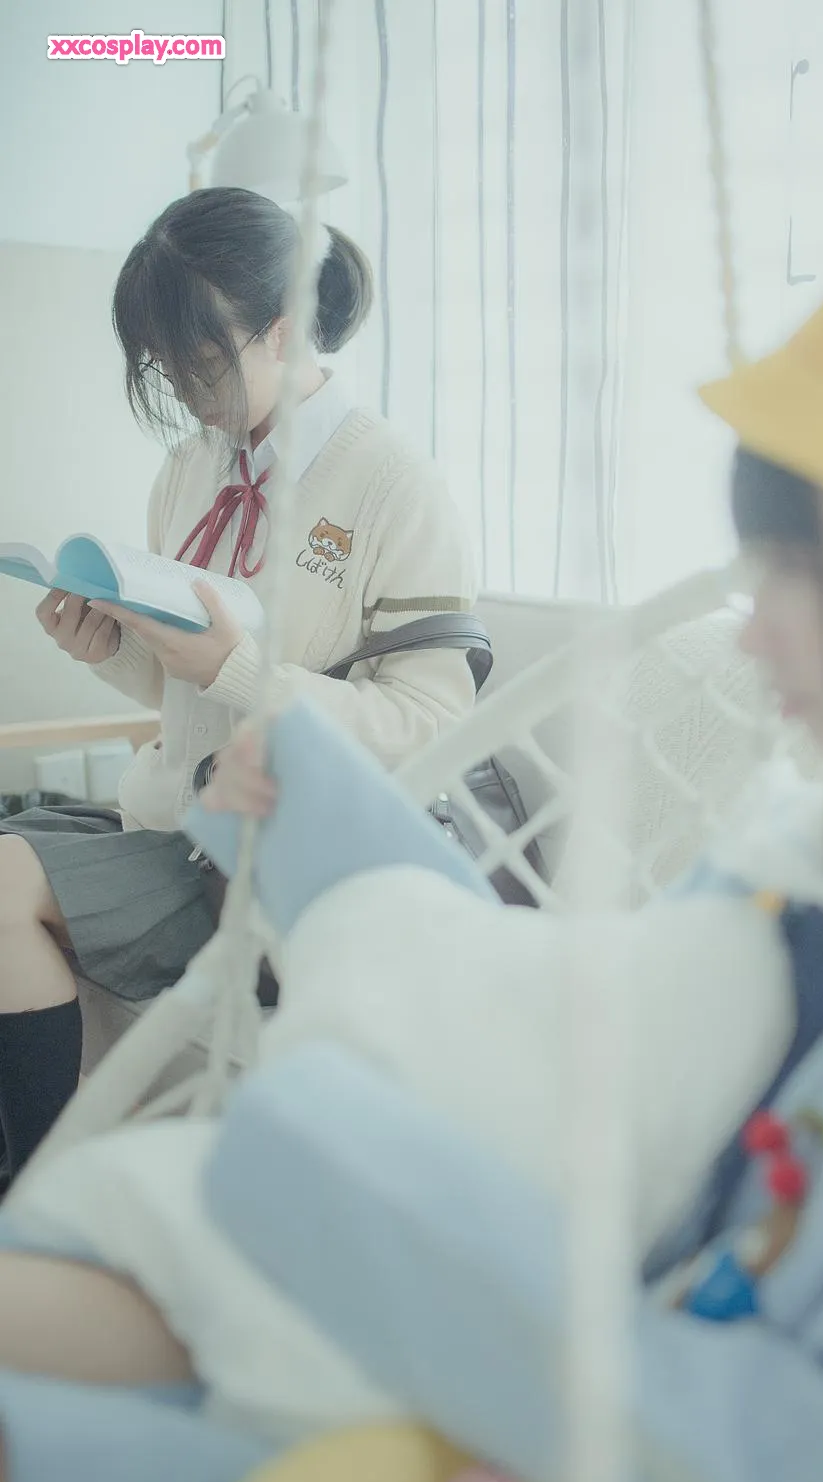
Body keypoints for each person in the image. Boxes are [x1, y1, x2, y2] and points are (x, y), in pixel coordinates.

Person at [0, 202, 823, 1482]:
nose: (753, 628)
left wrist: (377, 1201)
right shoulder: (822, 860)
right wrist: (314, 811)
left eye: (793, 572)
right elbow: (564, 1015)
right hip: (503, 1339)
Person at [0, 186, 478, 1178]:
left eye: (201, 359)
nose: (184, 386)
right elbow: (182, 698)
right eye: (164, 363)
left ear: (284, 326)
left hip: (263, 860)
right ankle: (51, 1192)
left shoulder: (393, 482)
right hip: (167, 824)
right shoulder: (190, 468)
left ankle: (38, 1201)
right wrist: (105, 646)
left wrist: (240, 667)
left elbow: (432, 721)